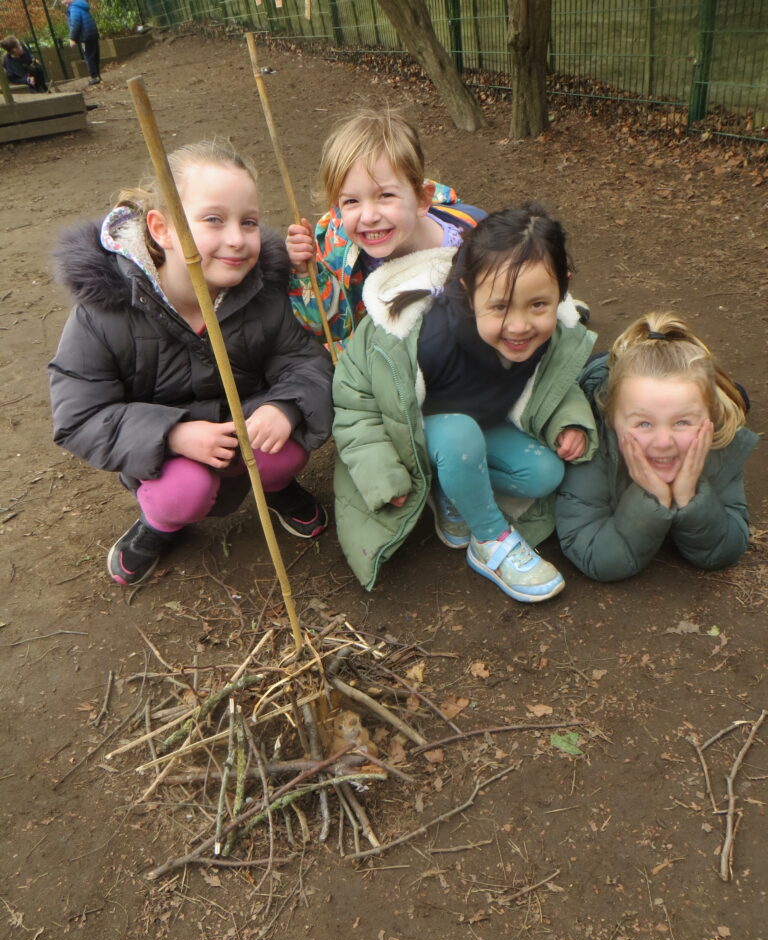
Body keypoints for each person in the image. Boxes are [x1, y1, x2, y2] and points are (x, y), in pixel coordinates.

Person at [49, 140, 334, 587]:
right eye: (214, 220)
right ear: (161, 228)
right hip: (169, 457)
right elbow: (79, 415)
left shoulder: (261, 291)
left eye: (250, 222)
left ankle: (277, 488)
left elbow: (305, 361)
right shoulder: (105, 312)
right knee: (184, 492)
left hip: (247, 432)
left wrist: (286, 408)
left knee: (285, 449)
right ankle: (160, 523)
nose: (237, 239)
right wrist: (173, 433)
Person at [333, 202, 598, 602]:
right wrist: (380, 471)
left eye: (538, 305)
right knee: (458, 434)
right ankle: (491, 539)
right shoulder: (424, 339)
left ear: (563, 287)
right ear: (468, 289)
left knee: (544, 472)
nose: (520, 325)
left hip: (484, 431)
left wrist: (570, 421)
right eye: (499, 307)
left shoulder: (554, 332)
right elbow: (356, 401)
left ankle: (455, 491)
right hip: (419, 440)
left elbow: (554, 383)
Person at [555, 313, 757, 581]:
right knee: (602, 375)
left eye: (682, 422)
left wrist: (690, 495)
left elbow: (726, 548)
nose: (664, 443)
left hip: (673, 380)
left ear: (709, 419)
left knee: (736, 397)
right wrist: (651, 497)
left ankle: (726, 392)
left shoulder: (714, 441)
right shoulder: (595, 447)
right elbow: (595, 556)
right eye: (644, 425)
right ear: (611, 421)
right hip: (603, 373)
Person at [285, 108, 485, 348]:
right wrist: (306, 274)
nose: (368, 217)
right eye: (351, 201)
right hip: (378, 371)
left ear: (422, 199)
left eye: (386, 195)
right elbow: (329, 328)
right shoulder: (339, 251)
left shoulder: (473, 241)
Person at [62, 0, 101, 85]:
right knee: (94, 55)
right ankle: (97, 75)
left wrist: (72, 38)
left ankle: (94, 77)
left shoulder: (73, 7)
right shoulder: (80, 4)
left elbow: (75, 22)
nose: (62, 1)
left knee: (89, 56)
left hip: (85, 35)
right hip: (92, 33)